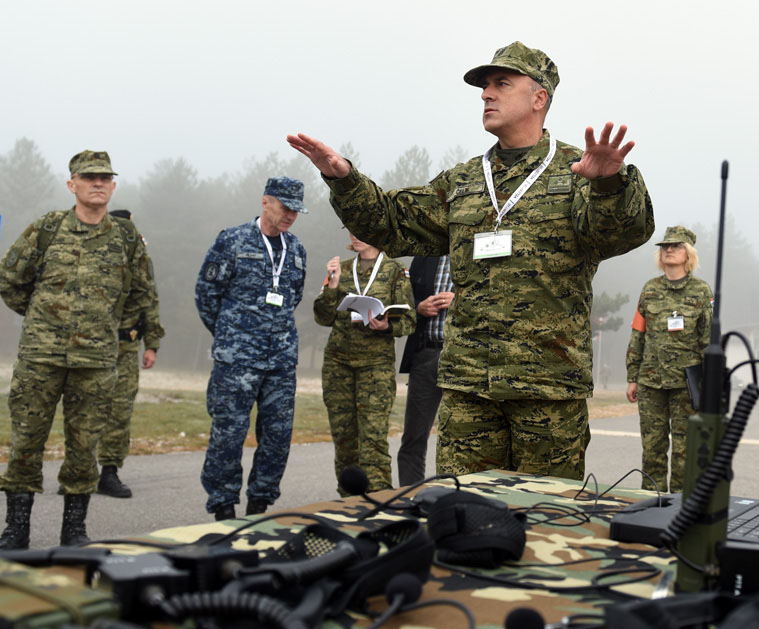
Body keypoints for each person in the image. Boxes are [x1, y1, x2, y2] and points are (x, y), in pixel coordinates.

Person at [289, 42, 654, 481]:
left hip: (547, 388)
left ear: (539, 98)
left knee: (545, 513)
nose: (486, 94)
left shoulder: (580, 172)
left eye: (502, 83)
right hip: (468, 387)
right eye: (484, 86)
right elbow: (390, 222)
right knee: (461, 510)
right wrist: (344, 179)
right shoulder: (463, 181)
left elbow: (618, 234)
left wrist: (610, 185)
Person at [0, 151, 157, 550]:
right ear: (72, 184)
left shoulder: (126, 238)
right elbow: (10, 279)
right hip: (40, 358)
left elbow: (142, 292)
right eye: (89, 177)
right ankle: (15, 531)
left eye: (105, 178)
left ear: (113, 186)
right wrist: (41, 318)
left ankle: (74, 532)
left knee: (84, 446)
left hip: (96, 362)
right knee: (26, 442)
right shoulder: (47, 228)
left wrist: (106, 325)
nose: (98, 183)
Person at [195, 177, 308, 519]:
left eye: (296, 210)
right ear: (265, 202)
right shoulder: (232, 240)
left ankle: (259, 504)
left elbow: (294, 297)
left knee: (277, 436)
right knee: (228, 433)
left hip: (281, 361)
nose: (290, 215)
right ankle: (223, 507)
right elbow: (206, 295)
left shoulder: (297, 249)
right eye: (285, 207)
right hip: (237, 360)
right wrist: (231, 335)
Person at [314, 233, 415, 494]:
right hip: (339, 364)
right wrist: (333, 285)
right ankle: (349, 501)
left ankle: (379, 501)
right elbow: (323, 318)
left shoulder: (395, 270)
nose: (355, 235)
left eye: (361, 230)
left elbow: (409, 321)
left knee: (373, 439)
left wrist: (387, 326)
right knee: (344, 440)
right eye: (350, 229)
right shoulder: (342, 268)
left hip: (376, 366)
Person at [625, 225, 713, 492]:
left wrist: (709, 383)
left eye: (676, 246)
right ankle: (650, 502)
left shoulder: (701, 291)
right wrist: (632, 377)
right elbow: (638, 334)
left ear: (689, 254)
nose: (669, 250)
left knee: (684, 452)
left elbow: (708, 340)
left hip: (687, 384)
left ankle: (677, 506)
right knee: (652, 448)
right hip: (650, 381)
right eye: (665, 246)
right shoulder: (649, 289)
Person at [91, 208, 164, 498]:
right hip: (92, 346)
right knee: (85, 410)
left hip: (125, 347)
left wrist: (152, 344)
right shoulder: (92, 252)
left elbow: (150, 298)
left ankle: (109, 472)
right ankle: (79, 471)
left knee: (119, 412)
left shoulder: (139, 257)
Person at [396, 255, 452, 486]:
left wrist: (460, 301)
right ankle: (412, 498)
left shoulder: (481, 250)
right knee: (414, 436)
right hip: (425, 353)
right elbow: (403, 300)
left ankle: (456, 500)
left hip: (463, 358)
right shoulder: (424, 256)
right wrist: (418, 307)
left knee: (461, 438)